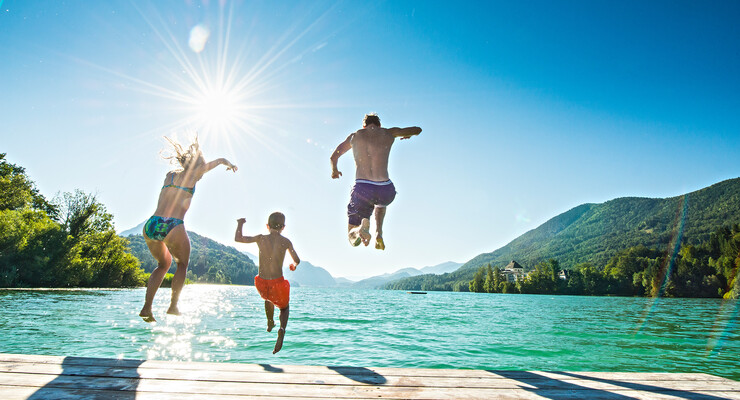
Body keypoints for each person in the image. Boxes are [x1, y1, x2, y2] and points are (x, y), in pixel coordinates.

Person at [139, 137, 237, 323]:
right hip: (172, 224)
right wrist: (230, 164)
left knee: (163, 265)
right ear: (198, 165)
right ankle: (173, 305)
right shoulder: (193, 175)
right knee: (182, 264)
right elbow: (218, 161)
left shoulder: (170, 175)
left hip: (151, 224)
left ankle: (147, 307)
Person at [330, 113, 421, 249]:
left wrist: (334, 171)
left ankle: (359, 229)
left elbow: (333, 157)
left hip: (363, 189)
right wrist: (408, 134)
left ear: (364, 126)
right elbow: (417, 129)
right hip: (386, 189)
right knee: (380, 203)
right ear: (379, 125)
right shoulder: (389, 133)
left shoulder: (355, 136)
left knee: (351, 234)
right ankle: (379, 232)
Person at [235, 212, 300, 354]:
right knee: (284, 308)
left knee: (267, 297)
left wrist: (240, 223)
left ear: (267, 226)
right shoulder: (286, 242)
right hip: (278, 282)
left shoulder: (260, 238)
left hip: (262, 282)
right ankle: (282, 329)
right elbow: (297, 259)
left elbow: (238, 238)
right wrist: (293, 265)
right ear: (283, 227)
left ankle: (270, 321)